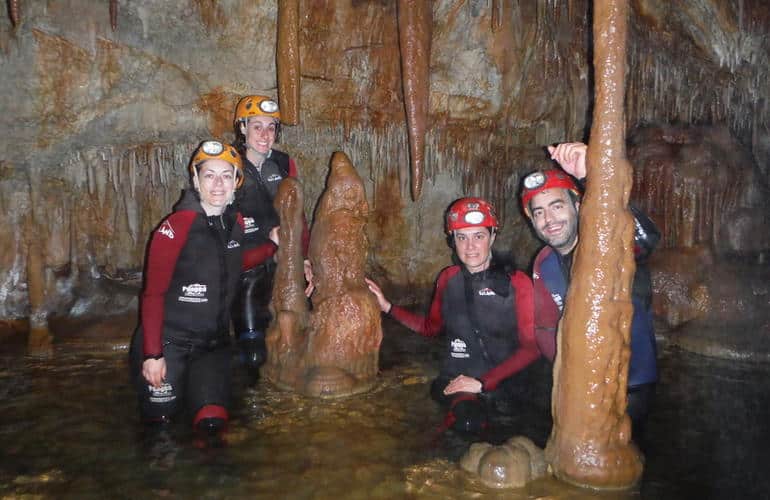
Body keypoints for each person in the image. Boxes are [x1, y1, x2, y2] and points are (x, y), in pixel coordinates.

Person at [129, 140, 279, 440]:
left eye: (226, 175)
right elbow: (153, 294)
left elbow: (236, 262)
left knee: (213, 428)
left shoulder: (234, 222)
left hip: (212, 346)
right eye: (209, 175)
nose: (218, 183)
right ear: (196, 180)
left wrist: (272, 246)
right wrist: (153, 354)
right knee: (162, 430)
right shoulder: (175, 227)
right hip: (169, 344)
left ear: (237, 182)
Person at [521, 141, 660, 443]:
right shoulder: (544, 264)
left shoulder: (611, 247)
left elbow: (646, 239)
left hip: (630, 389)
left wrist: (594, 178)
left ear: (578, 205)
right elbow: (545, 326)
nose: (550, 220)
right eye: (539, 212)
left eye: (557, 206)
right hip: (579, 390)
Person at [366, 198, 540, 435]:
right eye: (461, 237)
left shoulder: (518, 283)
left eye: (478, 236)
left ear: (493, 237)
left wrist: (483, 383)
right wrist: (388, 307)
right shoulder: (448, 279)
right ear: (453, 242)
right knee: (466, 424)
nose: (470, 246)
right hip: (458, 382)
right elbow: (431, 327)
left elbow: (532, 348)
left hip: (504, 382)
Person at [230, 95, 311, 379]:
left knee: (300, 337)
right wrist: (268, 240)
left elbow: (298, 215)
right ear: (242, 128)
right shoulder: (229, 167)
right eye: (257, 127)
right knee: (253, 355)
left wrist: (305, 259)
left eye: (271, 127)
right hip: (246, 270)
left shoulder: (284, 163)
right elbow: (222, 233)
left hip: (283, 266)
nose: (265, 135)